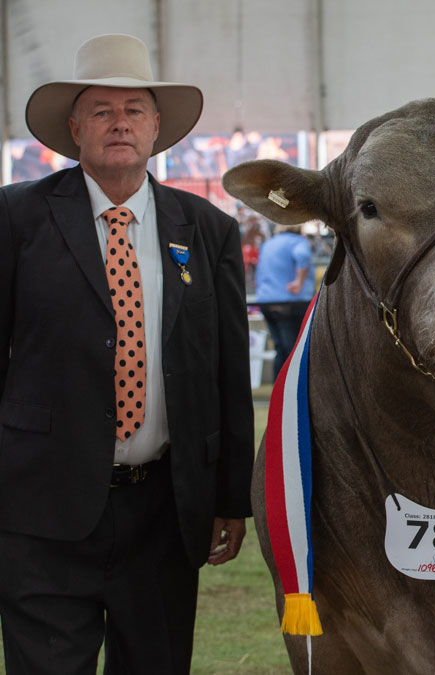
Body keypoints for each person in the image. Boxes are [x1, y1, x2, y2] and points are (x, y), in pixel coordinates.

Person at [0, 34, 253, 673]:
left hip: (164, 514)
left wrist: (231, 497)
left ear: (156, 126)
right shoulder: (16, 219)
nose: (120, 123)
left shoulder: (208, 230)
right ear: (75, 127)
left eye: (134, 109)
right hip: (42, 511)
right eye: (104, 110)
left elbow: (226, 372)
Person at [255, 223, 316, 378]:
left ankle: (279, 390)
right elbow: (303, 257)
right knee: (294, 351)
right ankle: (295, 391)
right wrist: (299, 281)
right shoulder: (297, 241)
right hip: (291, 302)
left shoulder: (269, 243)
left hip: (266, 301)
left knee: (280, 349)